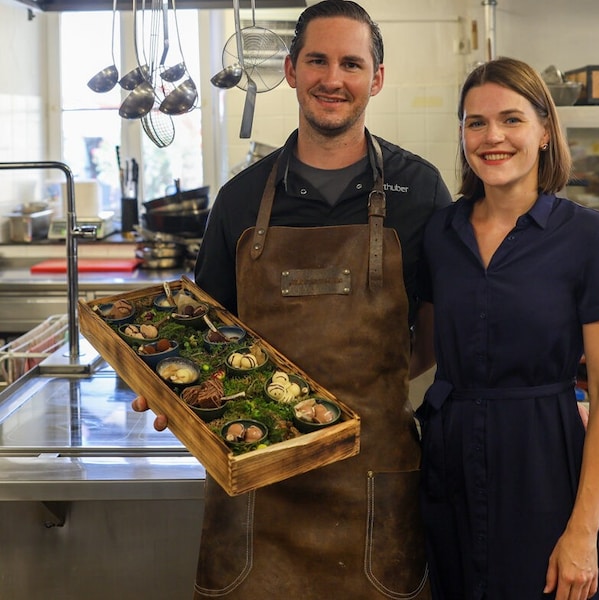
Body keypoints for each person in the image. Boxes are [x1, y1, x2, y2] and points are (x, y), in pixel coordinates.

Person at [133, 1, 451, 598]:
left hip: (374, 477)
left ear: (376, 78)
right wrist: (175, 389)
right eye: (318, 61)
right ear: (291, 69)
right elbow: (205, 332)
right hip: (257, 472)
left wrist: (367, 391)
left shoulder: (421, 190)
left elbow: (439, 318)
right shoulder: (239, 199)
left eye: (352, 63)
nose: (334, 79)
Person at [414, 57, 599, 600]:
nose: (493, 136)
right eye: (475, 122)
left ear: (543, 132)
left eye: (511, 120)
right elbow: (419, 351)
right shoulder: (440, 234)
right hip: (451, 456)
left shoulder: (588, 236)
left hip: (543, 460)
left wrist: (582, 529)